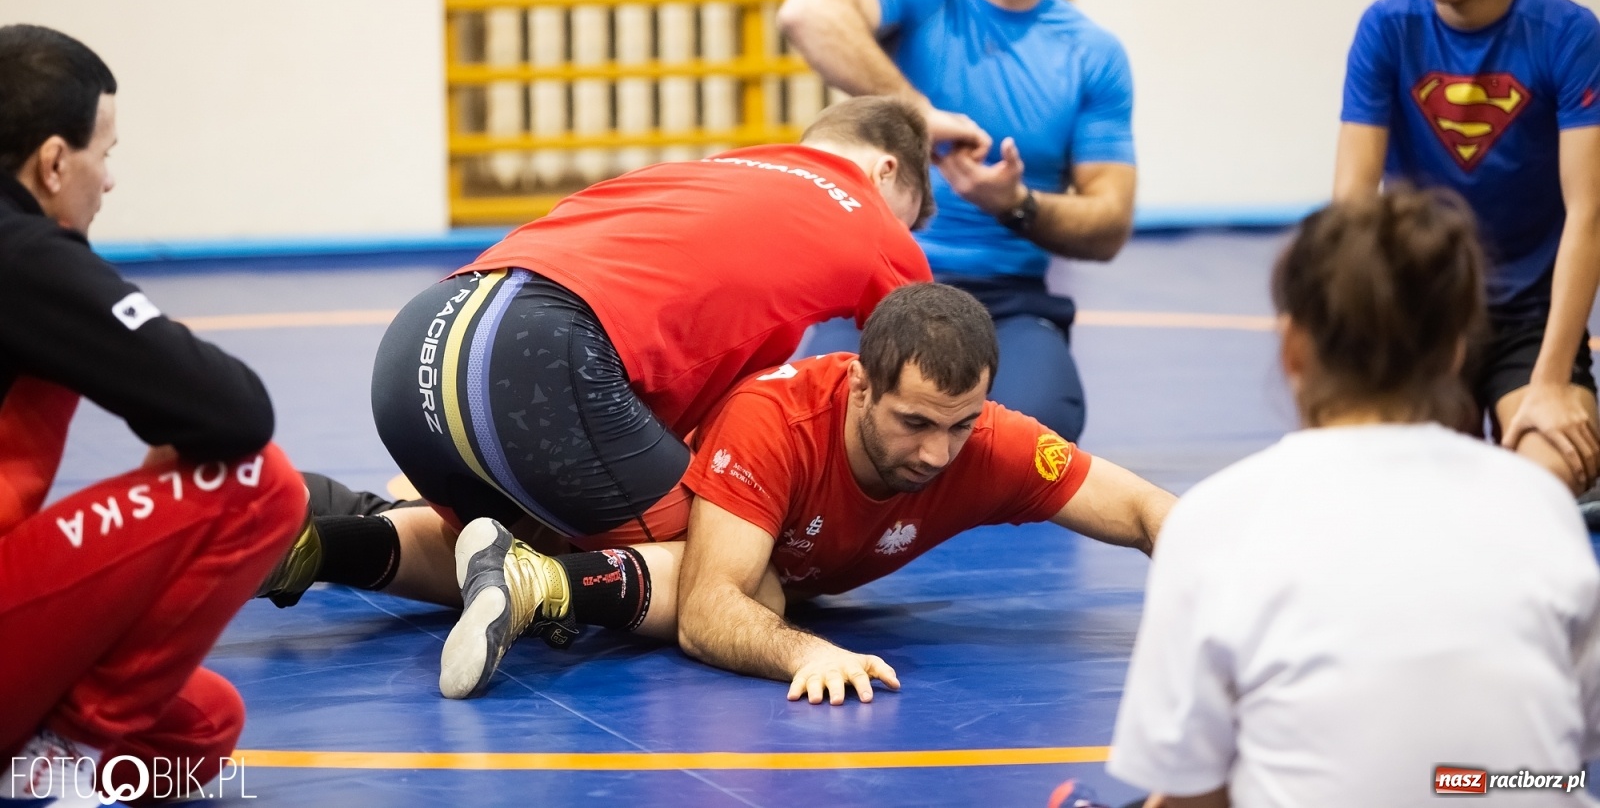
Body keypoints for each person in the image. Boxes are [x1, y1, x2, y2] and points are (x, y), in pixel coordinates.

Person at [258, 98, 935, 632]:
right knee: (733, 577)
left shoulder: (708, 175)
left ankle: (323, 533)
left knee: (507, 541)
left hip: (421, 340)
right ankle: (527, 586)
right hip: (542, 364)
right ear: (884, 172)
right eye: (907, 219)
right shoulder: (868, 217)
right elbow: (939, 373)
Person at [440, 282, 1174, 702]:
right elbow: (706, 612)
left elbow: (1147, 511)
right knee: (757, 595)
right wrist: (806, 656)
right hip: (592, 517)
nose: (936, 453)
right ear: (860, 386)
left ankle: (335, 540)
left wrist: (1243, 601)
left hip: (643, 558)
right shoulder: (780, 420)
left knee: (422, 554)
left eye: (959, 426)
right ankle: (525, 572)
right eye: (914, 422)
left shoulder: (984, 442)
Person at [1108, 188, 1600, 807]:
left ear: (1293, 349)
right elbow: (1564, 756)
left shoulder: (1216, 523)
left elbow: (1193, 794)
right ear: (1455, 353)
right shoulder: (1540, 506)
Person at [0, 25, 306, 803]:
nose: (108, 182)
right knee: (258, 481)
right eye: (105, 154)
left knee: (198, 727)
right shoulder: (23, 255)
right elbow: (236, 411)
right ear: (54, 161)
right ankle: (50, 764)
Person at [776, 0, 1137, 442]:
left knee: (1033, 435)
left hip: (1007, 298)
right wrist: (918, 113)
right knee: (816, 418)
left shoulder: (1091, 54)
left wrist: (1016, 205)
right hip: (879, 280)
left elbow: (1109, 223)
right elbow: (807, 10)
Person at [1334, 0, 1600, 497]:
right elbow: (1352, 209)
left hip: (1530, 323)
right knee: (1415, 483)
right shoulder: (1387, 29)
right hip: (1423, 309)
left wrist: (1550, 382)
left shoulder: (1568, 34)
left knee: (1544, 481)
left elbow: (1589, 212)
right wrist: (1366, 354)